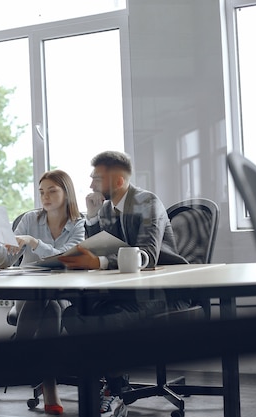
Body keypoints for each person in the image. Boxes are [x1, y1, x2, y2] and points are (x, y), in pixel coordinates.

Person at [59, 150, 188, 417]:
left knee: (100, 320)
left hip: (164, 292)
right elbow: (99, 247)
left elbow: (147, 256)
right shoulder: (107, 208)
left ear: (117, 181)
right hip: (127, 293)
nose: (91, 184)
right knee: (75, 313)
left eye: (97, 178)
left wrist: (100, 263)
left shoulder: (147, 202)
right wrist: (93, 218)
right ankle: (112, 384)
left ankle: (112, 389)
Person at [0, 169, 85, 415]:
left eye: (52, 191)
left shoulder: (80, 224)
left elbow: (67, 259)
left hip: (65, 296)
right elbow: (5, 262)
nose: (44, 197)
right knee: (45, 303)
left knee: (53, 303)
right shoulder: (29, 220)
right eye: (41, 192)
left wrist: (35, 243)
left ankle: (20, 352)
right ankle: (49, 385)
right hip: (28, 296)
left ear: (66, 193)